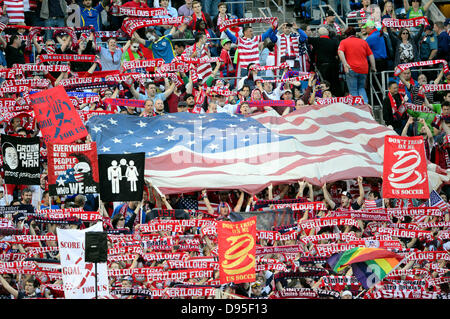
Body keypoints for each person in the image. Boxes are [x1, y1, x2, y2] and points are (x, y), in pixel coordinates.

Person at [338, 27, 376, 104]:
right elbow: (371, 55)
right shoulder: (363, 42)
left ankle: (357, 109)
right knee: (361, 88)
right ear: (355, 33)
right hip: (363, 69)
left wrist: (345, 64)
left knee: (353, 90)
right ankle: (365, 106)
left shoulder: (344, 42)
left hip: (351, 68)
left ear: (346, 34)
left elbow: (340, 52)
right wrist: (373, 67)